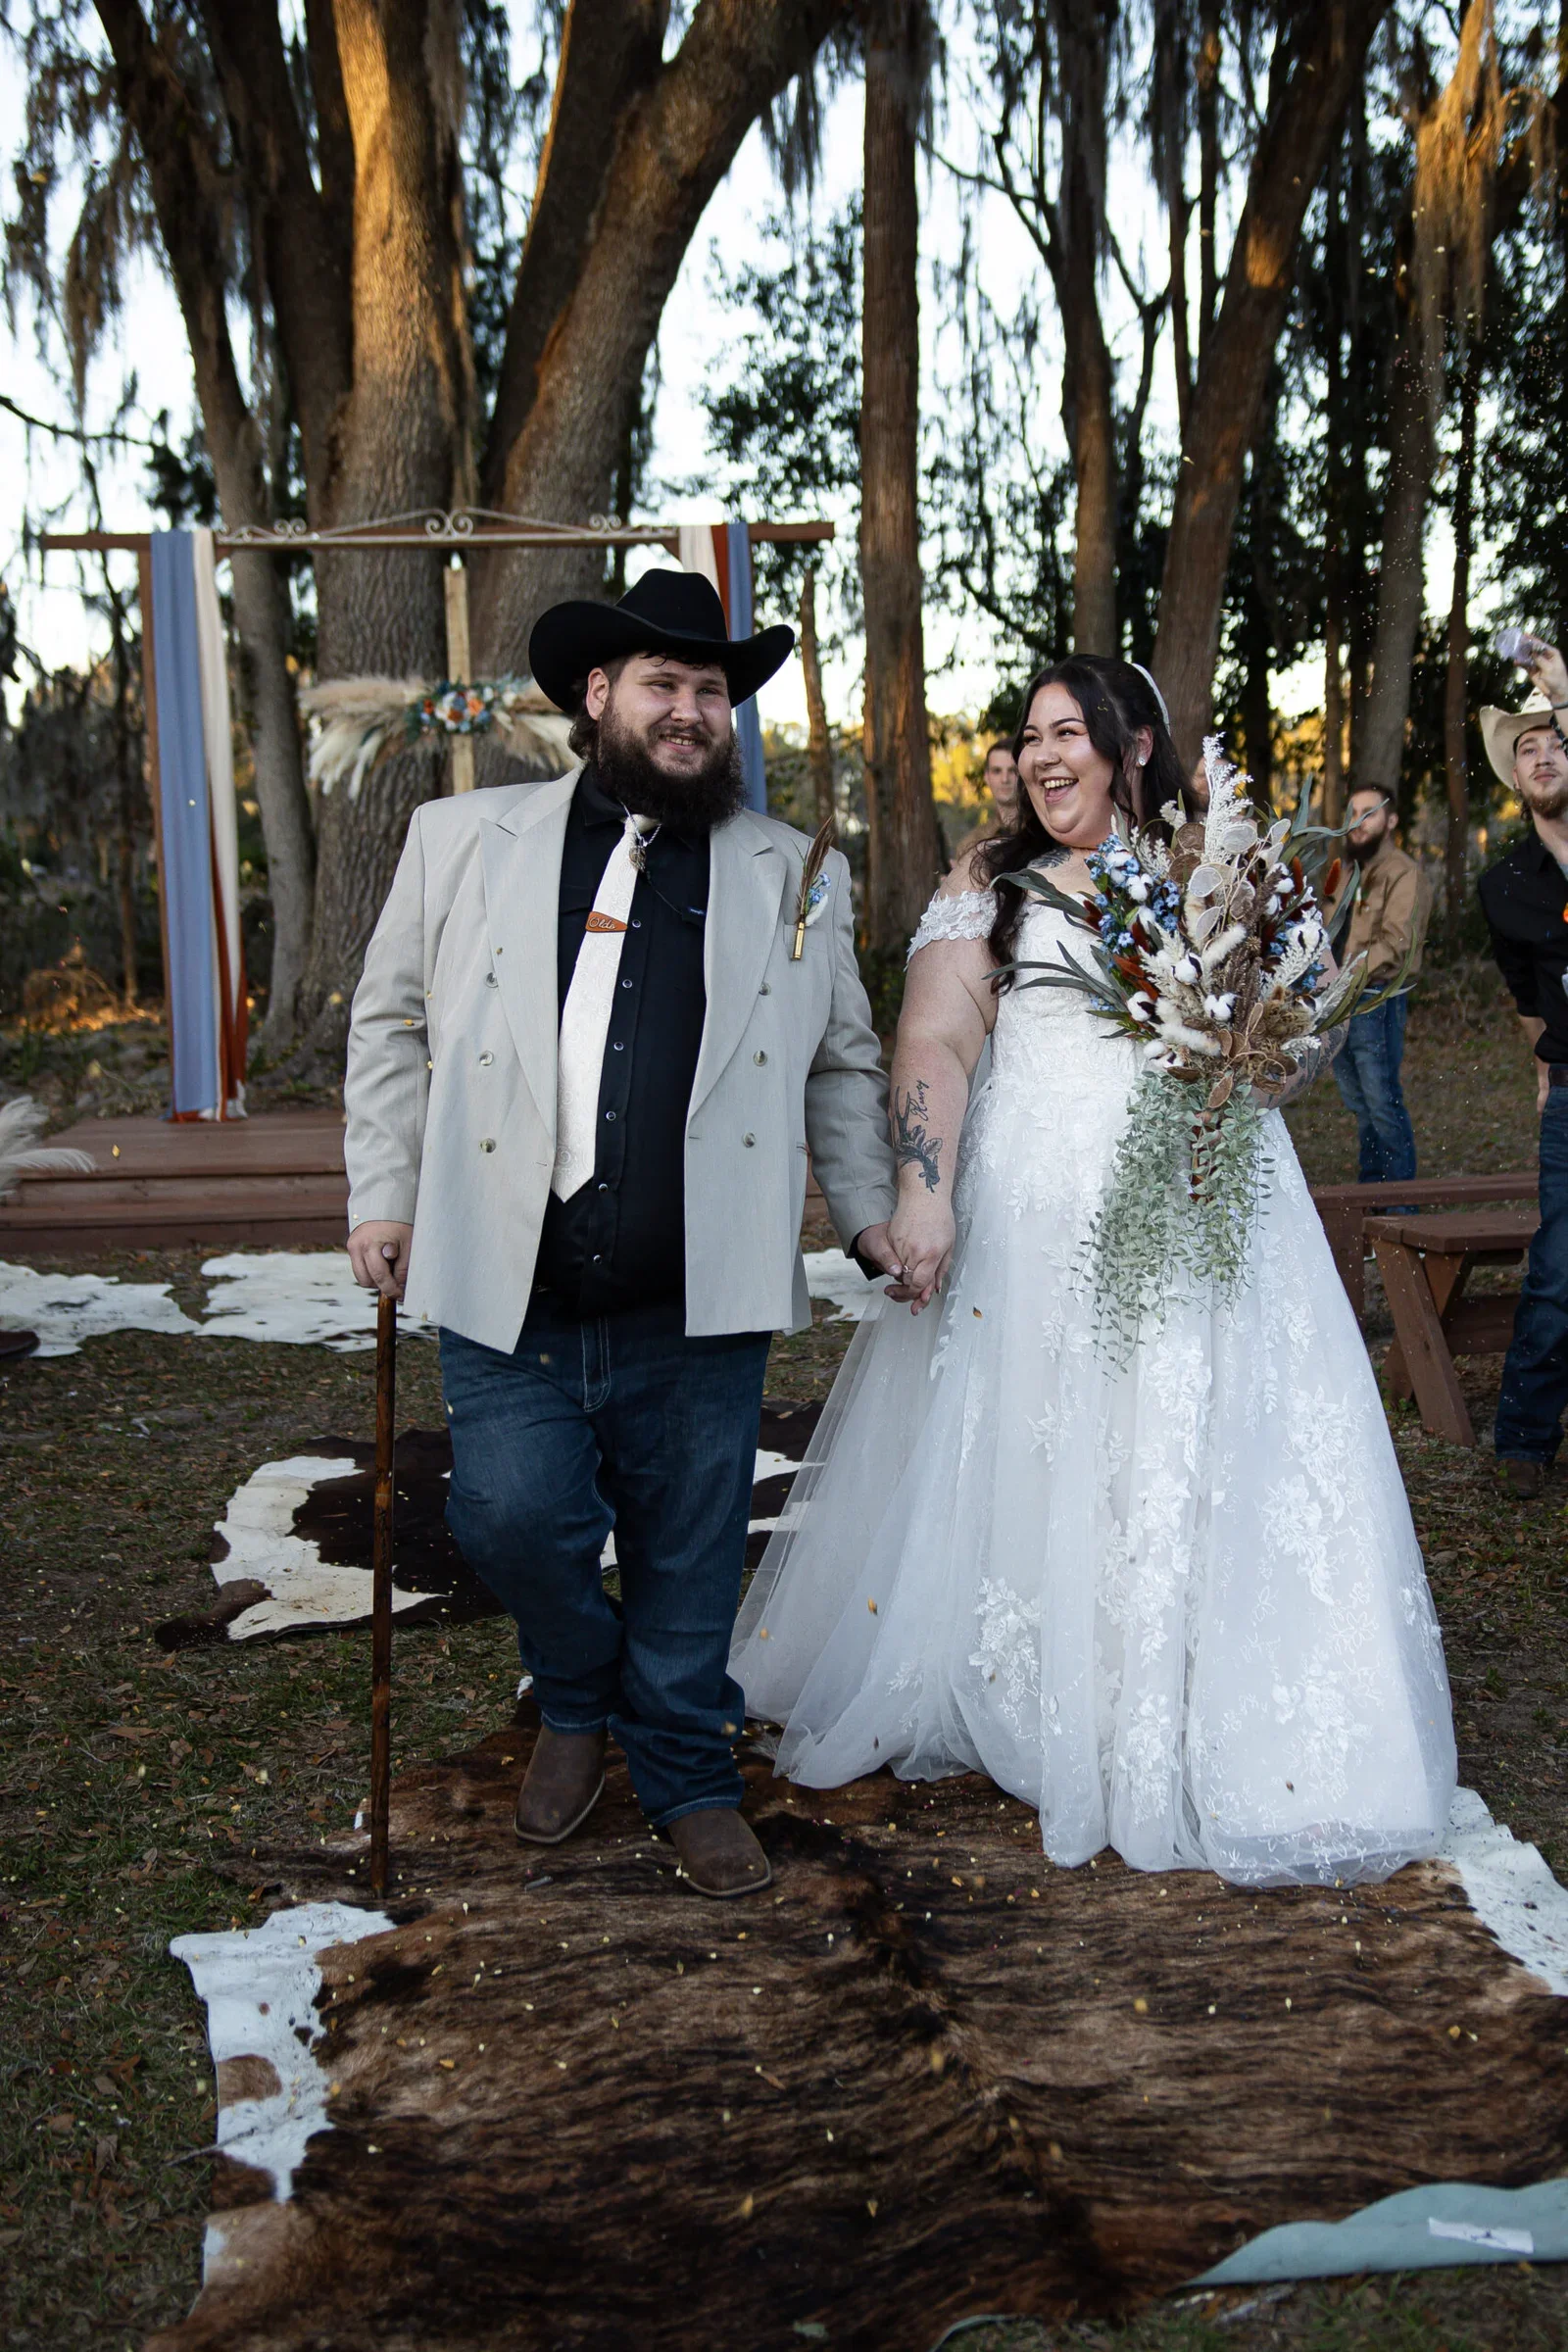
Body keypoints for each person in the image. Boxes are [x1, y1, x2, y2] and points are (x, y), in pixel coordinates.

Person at [733, 655, 1455, 1887]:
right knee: (1047, 1435)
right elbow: (936, 1041)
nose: (1043, 754)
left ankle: (1224, 1687)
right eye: (1028, 735)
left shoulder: (1227, 868)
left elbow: (1305, 1036)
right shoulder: (993, 885)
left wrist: (1253, 1049)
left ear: (1134, 747)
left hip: (1216, 1200)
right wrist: (923, 1188)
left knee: (1219, 1428)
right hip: (1041, 1213)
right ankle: (1060, 1680)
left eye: (1072, 730)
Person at [344, 568, 900, 1898]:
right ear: (598, 695)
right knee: (509, 1520)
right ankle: (581, 1696)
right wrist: (383, 1190)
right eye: (664, 684)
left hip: (697, 1287)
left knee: (692, 1544)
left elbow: (841, 1061)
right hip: (510, 1275)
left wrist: (870, 1210)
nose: (691, 711)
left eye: (711, 690)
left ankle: (689, 1774)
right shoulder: (464, 840)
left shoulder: (796, 870)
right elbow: (389, 1021)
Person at [1478, 639, 1568, 1500]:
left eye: (1556, 741)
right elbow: (1525, 990)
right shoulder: (1506, 885)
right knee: (1559, 1270)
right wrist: (1545, 1066)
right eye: (1527, 748)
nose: (1542, 756)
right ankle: (1526, 1442)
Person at [1331, 787, 1431, 1187]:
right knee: (1360, 1105)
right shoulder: (1347, 872)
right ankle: (1370, 1202)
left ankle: (1401, 1207)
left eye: (1369, 813)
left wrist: (1344, 977)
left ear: (1391, 821)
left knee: (1382, 1103)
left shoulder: (1404, 872)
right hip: (1337, 1004)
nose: (1358, 820)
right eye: (1353, 811)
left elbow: (1397, 944)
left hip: (1376, 1000)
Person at [950, 739, 1021, 862]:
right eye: (997, 771)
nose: (1004, 779)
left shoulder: (1045, 835)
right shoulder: (970, 845)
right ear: (986, 777)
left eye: (1012, 771)